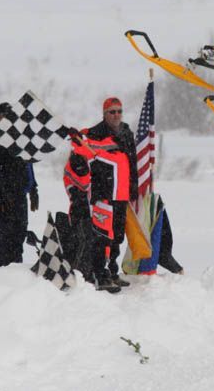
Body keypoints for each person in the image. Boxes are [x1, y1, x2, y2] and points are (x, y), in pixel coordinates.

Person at [64, 97, 138, 293]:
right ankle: (100, 274)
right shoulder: (95, 134)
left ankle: (112, 271)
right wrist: (75, 135)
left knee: (117, 236)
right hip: (104, 193)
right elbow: (81, 146)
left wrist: (134, 187)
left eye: (119, 111)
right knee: (102, 236)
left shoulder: (127, 133)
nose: (116, 115)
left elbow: (132, 163)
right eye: (111, 111)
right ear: (104, 114)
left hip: (121, 193)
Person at [0, 102, 39, 267]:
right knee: (3, 230)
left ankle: (15, 264)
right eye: (2, 116)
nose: (5, 119)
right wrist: (2, 192)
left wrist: (33, 188)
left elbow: (28, 164)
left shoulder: (18, 138)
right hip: (1, 193)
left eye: (9, 116)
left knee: (20, 230)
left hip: (20, 192)